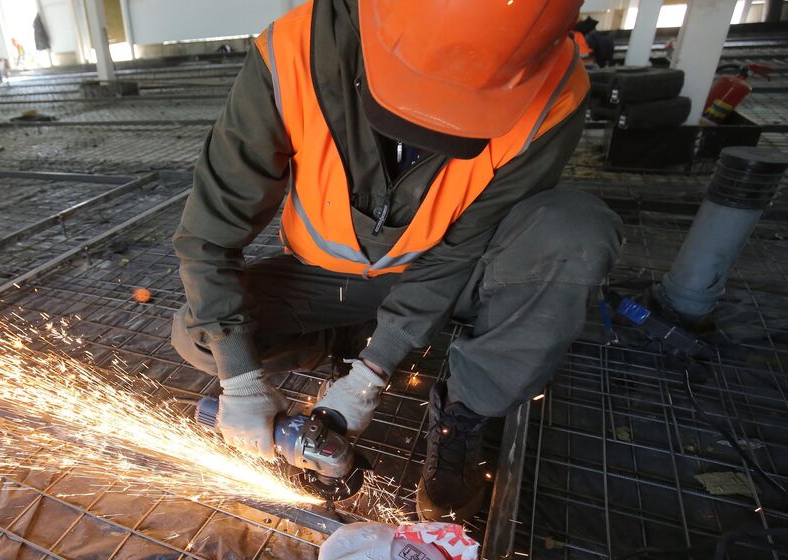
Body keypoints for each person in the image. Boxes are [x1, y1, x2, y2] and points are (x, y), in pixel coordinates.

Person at [171, 0, 622, 521]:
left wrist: (375, 369)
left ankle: (462, 412)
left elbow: (460, 247)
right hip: (329, 278)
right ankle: (344, 343)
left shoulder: (554, 95)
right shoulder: (293, 52)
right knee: (200, 333)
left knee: (574, 232)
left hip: (454, 276)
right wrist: (240, 378)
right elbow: (208, 233)